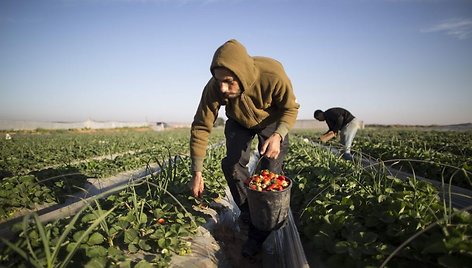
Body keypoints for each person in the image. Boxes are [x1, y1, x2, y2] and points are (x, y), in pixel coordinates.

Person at [189, 39, 300, 257]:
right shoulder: (215, 88)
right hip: (239, 122)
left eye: (229, 81)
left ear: (242, 75)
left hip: (272, 121)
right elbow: (201, 126)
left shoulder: (272, 75)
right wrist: (197, 172)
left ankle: (260, 232)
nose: (222, 87)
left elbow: (290, 108)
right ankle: (250, 216)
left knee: (270, 172)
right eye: (218, 80)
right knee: (231, 164)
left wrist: (278, 135)